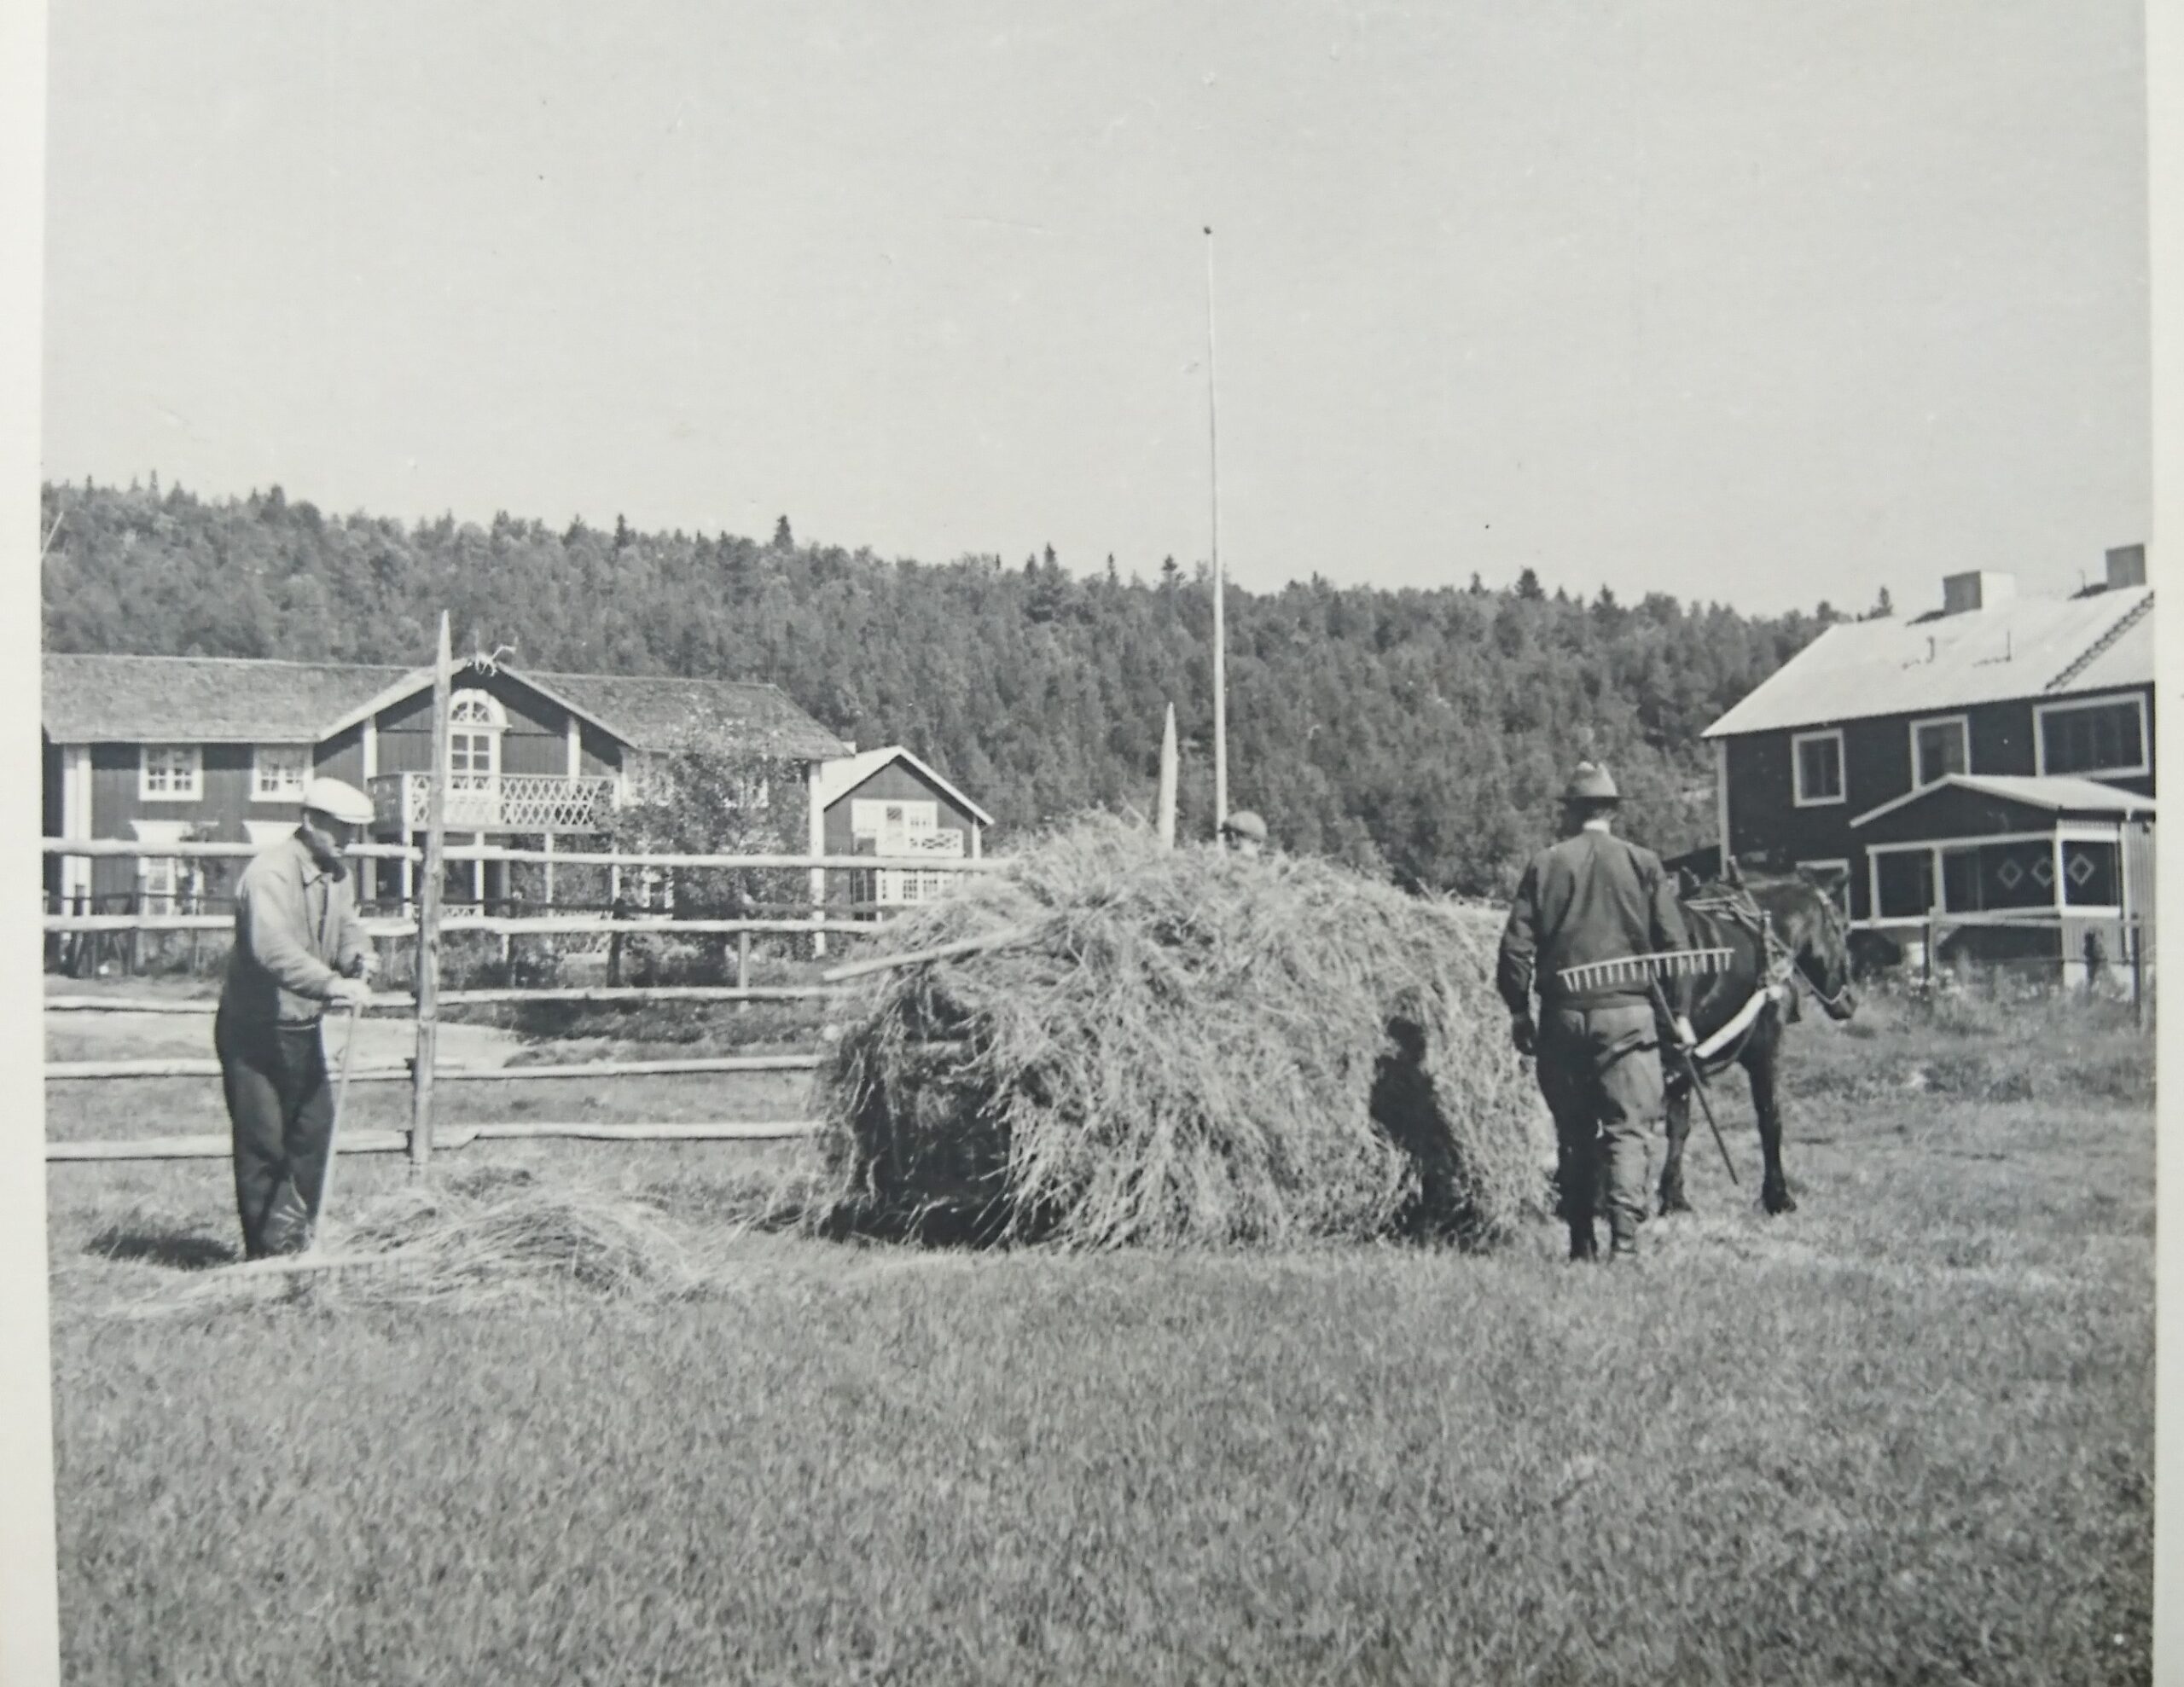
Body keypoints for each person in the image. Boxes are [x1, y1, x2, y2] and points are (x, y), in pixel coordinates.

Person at [1496, 762, 1697, 1263]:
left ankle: (1581, 1244)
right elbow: (1676, 947)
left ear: (1571, 814)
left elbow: (1514, 950)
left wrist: (1520, 1011)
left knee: (1573, 1131)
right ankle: (1625, 1248)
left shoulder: (1545, 864)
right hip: (1629, 1015)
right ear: (1612, 811)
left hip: (1563, 1015)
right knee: (1628, 1130)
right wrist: (1682, 1012)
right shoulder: (1643, 863)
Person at [214, 776, 378, 1258]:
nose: (349, 841)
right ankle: (269, 1258)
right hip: (255, 1029)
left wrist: (358, 957)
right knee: (264, 1144)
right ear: (310, 822)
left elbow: (347, 927)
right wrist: (330, 983)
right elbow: (271, 948)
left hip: (302, 1027)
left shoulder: (336, 875)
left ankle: (301, 1242)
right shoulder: (270, 874)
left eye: (355, 831)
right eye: (340, 829)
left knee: (313, 1135)